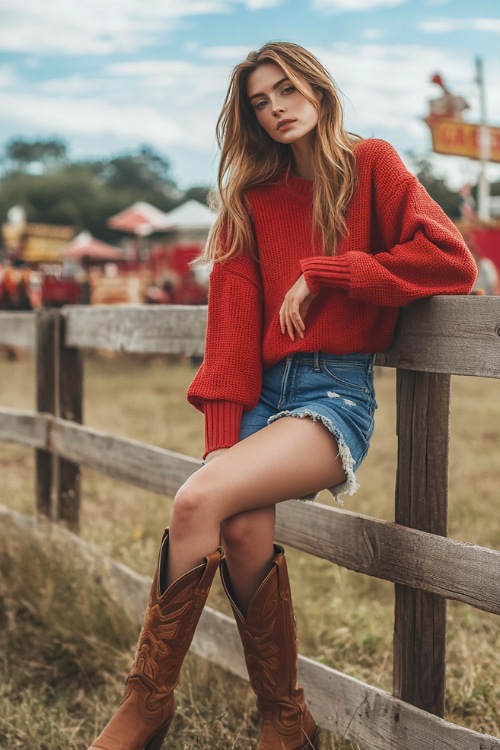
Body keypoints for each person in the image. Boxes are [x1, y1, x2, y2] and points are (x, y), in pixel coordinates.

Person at [88, 42, 476, 750]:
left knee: (196, 501)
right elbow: (232, 335)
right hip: (263, 395)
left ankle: (147, 705)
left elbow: (452, 261)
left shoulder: (373, 165)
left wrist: (326, 272)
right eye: (260, 103)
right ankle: (286, 719)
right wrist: (221, 436)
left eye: (286, 91)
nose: (275, 110)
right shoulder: (249, 201)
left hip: (333, 394)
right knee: (233, 523)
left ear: (319, 92)